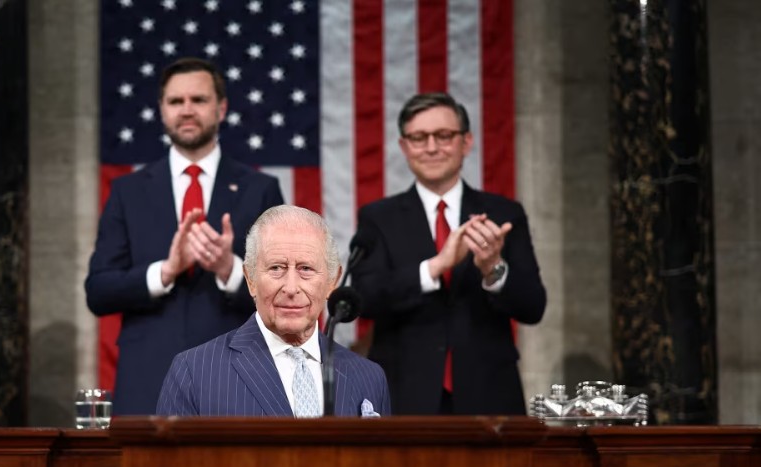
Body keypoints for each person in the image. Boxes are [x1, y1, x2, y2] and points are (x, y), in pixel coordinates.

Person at [85, 58, 284, 415]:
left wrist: (229, 269)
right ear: (162, 111)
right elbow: (98, 291)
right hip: (148, 381)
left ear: (221, 108)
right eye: (176, 101)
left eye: (199, 100)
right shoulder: (128, 192)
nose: (187, 110)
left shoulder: (260, 189)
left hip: (238, 378)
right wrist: (165, 271)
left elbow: (283, 290)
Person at [351, 93, 546, 415]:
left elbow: (533, 307)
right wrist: (435, 267)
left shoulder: (504, 213)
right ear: (404, 147)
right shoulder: (379, 217)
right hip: (405, 395)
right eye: (419, 138)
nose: (431, 147)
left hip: (489, 395)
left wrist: (493, 269)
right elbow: (365, 298)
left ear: (466, 142)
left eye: (443, 136)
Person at [156, 205, 391, 417]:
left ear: (332, 281)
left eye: (306, 269)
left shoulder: (369, 378)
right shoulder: (194, 372)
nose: (291, 288)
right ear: (250, 279)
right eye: (276, 268)